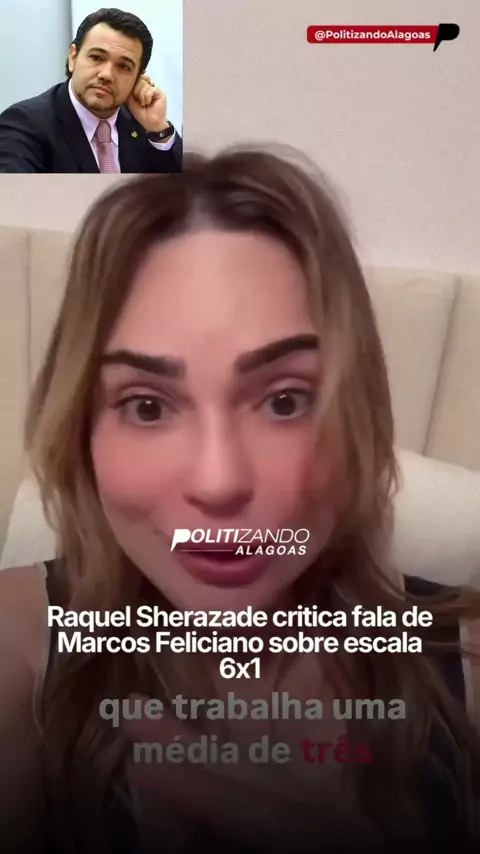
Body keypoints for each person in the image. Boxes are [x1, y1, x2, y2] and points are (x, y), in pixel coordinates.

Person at [0, 145, 479, 854]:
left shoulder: (465, 660)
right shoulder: (17, 649)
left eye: (286, 401)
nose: (219, 482)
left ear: (359, 417)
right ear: (81, 431)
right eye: (146, 406)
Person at [0, 8, 182, 174]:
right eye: (96, 58)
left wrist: (158, 128)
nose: (107, 75)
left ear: (138, 78)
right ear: (73, 58)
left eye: (124, 67)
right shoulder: (24, 124)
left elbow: (184, 191)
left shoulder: (141, 125)